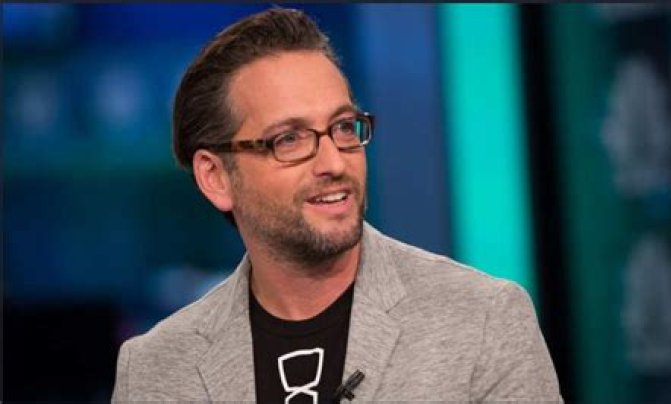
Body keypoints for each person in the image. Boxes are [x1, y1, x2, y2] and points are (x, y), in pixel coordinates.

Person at [111, 7, 561, 403]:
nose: (333, 162)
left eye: (344, 127)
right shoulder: (155, 370)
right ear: (215, 177)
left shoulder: (482, 321)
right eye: (289, 139)